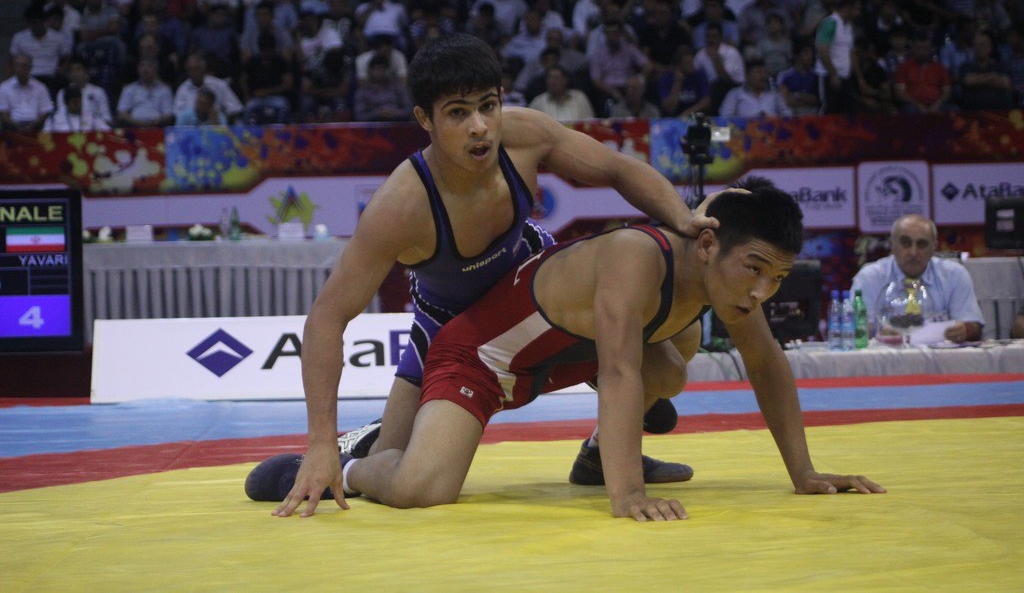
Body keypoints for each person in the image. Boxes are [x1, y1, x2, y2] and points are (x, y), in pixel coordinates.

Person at [245, 33, 717, 504]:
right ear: (425, 120)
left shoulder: (523, 134)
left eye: (488, 106)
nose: (479, 128)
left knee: (678, 338)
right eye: (457, 113)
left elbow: (616, 167)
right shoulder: (401, 205)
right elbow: (327, 317)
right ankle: (353, 456)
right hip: (453, 329)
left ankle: (599, 453)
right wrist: (319, 442)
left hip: (538, 296)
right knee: (404, 472)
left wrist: (683, 218)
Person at [270, 178, 885, 520]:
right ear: (707, 245)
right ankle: (349, 465)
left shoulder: (730, 284)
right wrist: (629, 495)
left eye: (777, 278)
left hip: (561, 358)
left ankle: (595, 458)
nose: (761, 291)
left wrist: (804, 473)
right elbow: (617, 373)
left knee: (673, 362)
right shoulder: (636, 257)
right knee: (420, 488)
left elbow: (766, 362)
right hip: (481, 360)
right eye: (755, 269)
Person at [851, 214, 984, 344]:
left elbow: (974, 327)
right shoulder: (869, 277)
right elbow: (854, 329)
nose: (913, 252)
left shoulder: (954, 275)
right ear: (892, 245)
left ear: (934, 247)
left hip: (938, 356)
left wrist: (965, 330)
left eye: (922, 244)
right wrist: (876, 331)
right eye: (905, 243)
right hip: (885, 354)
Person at [815, 0, 860, 114]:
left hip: (845, 76)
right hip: (828, 76)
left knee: (848, 111)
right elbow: (823, 51)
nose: (858, 13)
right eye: (856, 9)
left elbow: (851, 52)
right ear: (847, 8)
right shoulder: (830, 23)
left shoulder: (849, 26)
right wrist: (833, 73)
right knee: (829, 110)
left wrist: (859, 77)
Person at [173, 54, 243, 122]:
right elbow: (178, 115)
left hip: (217, 125)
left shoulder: (219, 85)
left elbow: (235, 109)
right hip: (191, 127)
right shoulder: (182, 89)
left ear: (204, 69)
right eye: (190, 70)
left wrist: (221, 120)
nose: (193, 72)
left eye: (196, 68)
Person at [718, 59, 792, 118]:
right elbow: (724, 117)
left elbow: (788, 116)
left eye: (765, 72)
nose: (763, 76)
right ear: (747, 75)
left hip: (771, 130)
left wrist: (772, 118)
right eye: (758, 72)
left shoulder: (775, 95)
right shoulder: (735, 94)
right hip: (743, 131)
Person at [0, 54, 54, 133]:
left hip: (36, 127)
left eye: (24, 66)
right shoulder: (4, 87)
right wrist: (17, 127)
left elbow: (45, 112)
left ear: (30, 68)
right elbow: (4, 114)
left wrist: (33, 125)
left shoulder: (41, 87)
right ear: (13, 67)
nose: (20, 69)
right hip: (12, 128)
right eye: (17, 65)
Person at [115, 58, 173, 127]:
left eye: (149, 66)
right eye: (142, 66)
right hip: (134, 127)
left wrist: (154, 123)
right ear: (138, 69)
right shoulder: (129, 89)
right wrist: (139, 123)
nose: (145, 69)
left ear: (156, 69)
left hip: (157, 127)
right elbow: (122, 113)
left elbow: (168, 115)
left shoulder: (165, 90)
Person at [528, 65, 595, 122]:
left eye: (557, 77)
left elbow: (589, 124)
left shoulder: (579, 97)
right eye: (550, 78)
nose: (553, 81)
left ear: (565, 80)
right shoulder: (538, 101)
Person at [44, 84, 109, 131]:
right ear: (66, 103)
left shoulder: (91, 116)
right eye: (74, 102)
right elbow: (45, 136)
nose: (78, 104)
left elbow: (107, 131)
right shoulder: (54, 119)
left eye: (79, 100)